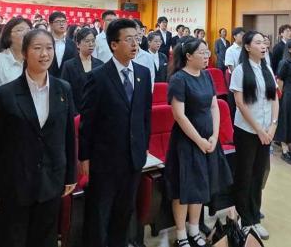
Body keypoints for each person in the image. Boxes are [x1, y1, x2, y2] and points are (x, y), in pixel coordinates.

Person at [0, 29, 76, 247]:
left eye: (49, 48)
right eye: (37, 48)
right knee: (13, 239)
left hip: (51, 181)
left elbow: (68, 135)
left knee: (45, 239)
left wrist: (70, 174)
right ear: (24, 53)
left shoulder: (63, 89)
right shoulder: (6, 93)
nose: (45, 54)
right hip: (15, 183)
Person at [79, 19, 152, 247]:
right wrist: (84, 157)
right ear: (113, 44)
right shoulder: (98, 77)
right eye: (128, 39)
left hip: (133, 158)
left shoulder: (142, 73)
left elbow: (145, 114)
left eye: (136, 39)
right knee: (100, 214)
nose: (135, 44)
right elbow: (87, 122)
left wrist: (143, 146)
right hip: (105, 159)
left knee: (124, 211)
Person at [164, 38, 232, 247]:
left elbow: (214, 106)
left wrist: (214, 136)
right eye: (202, 53)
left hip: (208, 139)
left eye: (207, 52)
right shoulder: (179, 79)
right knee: (184, 189)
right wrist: (200, 141)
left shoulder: (206, 75)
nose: (206, 56)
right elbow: (179, 115)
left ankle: (194, 230)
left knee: (201, 185)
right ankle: (181, 235)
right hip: (187, 141)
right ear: (188, 56)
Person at [230, 31, 278, 241]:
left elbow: (274, 99)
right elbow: (240, 104)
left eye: (264, 42)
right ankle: (246, 220)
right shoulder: (240, 70)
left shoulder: (267, 68)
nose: (263, 46)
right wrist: (259, 129)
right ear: (248, 47)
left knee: (259, 175)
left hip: (266, 131)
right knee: (245, 175)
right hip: (247, 131)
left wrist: (273, 126)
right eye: (258, 43)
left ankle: (255, 216)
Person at [0, 17, 32, 109]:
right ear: (8, 36)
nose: (26, 33)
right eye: (20, 30)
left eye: (28, 30)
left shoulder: (35, 60)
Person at [60, 28, 103, 113]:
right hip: (75, 112)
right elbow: (64, 92)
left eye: (93, 41)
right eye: (87, 41)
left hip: (96, 112)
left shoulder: (100, 64)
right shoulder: (69, 65)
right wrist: (74, 113)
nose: (91, 44)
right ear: (78, 44)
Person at [48, 11, 77, 77]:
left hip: (66, 81)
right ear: (51, 25)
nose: (61, 24)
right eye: (58, 21)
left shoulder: (72, 44)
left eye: (64, 21)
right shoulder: (45, 43)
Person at [131, 20, 156, 85]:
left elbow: (151, 79)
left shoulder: (148, 57)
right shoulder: (122, 56)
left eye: (140, 31)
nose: (138, 33)